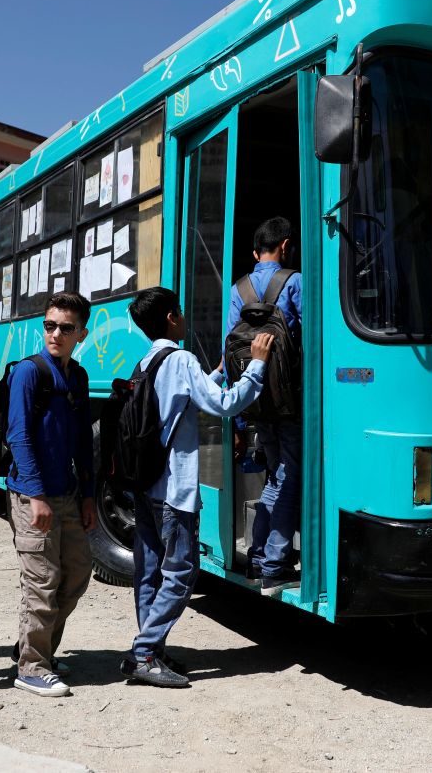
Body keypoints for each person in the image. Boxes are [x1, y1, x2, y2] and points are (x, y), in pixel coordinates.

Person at [123, 287, 271, 687]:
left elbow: (183, 399)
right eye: (182, 312)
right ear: (172, 317)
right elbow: (222, 405)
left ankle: (150, 648)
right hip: (174, 489)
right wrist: (256, 366)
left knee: (149, 572)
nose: (185, 317)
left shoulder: (149, 359)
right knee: (183, 571)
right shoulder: (182, 358)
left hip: (147, 487)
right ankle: (144, 652)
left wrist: (218, 371)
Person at [5, 291, 95, 698]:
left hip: (69, 494)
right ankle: (32, 667)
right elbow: (18, 434)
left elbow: (82, 444)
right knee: (42, 581)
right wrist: (36, 495)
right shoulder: (28, 371)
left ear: (82, 333)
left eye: (65, 327)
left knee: (76, 574)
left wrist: (89, 495)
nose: (55, 333)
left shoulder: (77, 376)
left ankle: (35, 648)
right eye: (49, 325)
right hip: (31, 495)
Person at [227, 216, 305, 596]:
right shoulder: (294, 282)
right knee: (287, 477)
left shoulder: (237, 290)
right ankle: (273, 563)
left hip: (255, 400)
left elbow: (230, 358)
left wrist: (239, 421)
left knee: (276, 475)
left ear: (255, 252)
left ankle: (258, 558)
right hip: (290, 401)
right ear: (286, 246)